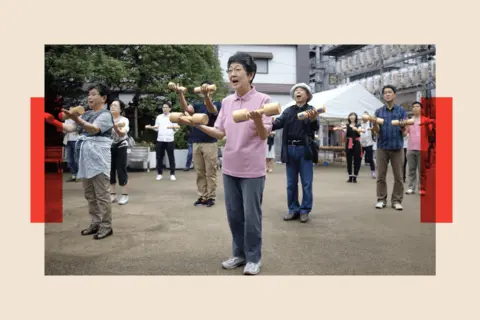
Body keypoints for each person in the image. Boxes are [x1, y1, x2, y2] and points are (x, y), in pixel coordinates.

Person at [179, 52, 272, 275]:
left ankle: (253, 258)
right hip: (230, 167)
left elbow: (263, 135)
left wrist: (258, 118)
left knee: (252, 217)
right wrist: (197, 125)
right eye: (230, 70)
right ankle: (238, 255)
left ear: (250, 74)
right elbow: (219, 132)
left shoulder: (263, 101)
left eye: (237, 69)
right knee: (234, 215)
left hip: (252, 170)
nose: (232, 74)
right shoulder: (228, 102)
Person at [46, 83, 115, 240]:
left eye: (94, 94)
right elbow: (70, 128)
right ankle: (96, 222)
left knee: (102, 194)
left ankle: (106, 226)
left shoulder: (105, 115)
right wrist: (53, 122)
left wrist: (76, 118)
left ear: (103, 98)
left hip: (99, 157)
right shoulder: (87, 114)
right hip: (85, 157)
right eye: (89, 94)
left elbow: (93, 129)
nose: (89, 97)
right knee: (89, 194)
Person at [272, 83, 319, 223]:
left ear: (307, 95)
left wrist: (312, 119)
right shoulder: (288, 111)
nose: (298, 92)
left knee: (306, 183)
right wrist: (267, 120)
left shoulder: (311, 110)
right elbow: (278, 123)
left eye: (301, 91)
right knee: (291, 183)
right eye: (296, 91)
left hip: (305, 149)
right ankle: (293, 209)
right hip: (289, 149)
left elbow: (315, 126)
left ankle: (305, 210)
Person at [174, 81, 222, 207]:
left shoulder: (217, 104)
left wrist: (206, 96)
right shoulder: (196, 104)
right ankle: (202, 196)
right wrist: (180, 94)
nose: (204, 90)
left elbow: (212, 110)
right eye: (203, 88)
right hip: (196, 142)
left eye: (207, 88)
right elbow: (187, 109)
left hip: (210, 143)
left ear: (211, 90)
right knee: (200, 172)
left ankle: (211, 197)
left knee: (210, 172)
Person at [371, 85, 408, 210]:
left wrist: (403, 126)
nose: (387, 94)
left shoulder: (401, 111)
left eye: (389, 92)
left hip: (397, 147)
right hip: (382, 147)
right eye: (385, 92)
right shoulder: (378, 112)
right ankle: (381, 199)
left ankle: (397, 200)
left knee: (399, 176)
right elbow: (377, 132)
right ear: (383, 96)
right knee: (381, 175)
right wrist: (375, 124)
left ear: (394, 95)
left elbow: (404, 133)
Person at [146, 101, 179, 181]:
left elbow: (177, 128)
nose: (164, 109)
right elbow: (157, 128)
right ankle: (159, 173)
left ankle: (172, 174)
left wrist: (172, 130)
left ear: (170, 108)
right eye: (163, 107)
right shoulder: (159, 117)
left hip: (169, 139)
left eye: (166, 107)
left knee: (171, 157)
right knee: (159, 157)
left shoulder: (173, 116)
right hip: (160, 139)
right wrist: (152, 127)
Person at [405, 101, 430, 196]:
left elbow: (430, 133)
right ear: (412, 109)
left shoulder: (426, 120)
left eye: (417, 106)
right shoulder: (409, 121)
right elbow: (404, 134)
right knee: (411, 169)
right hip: (411, 148)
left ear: (421, 109)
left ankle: (422, 188)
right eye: (414, 106)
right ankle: (411, 187)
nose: (415, 108)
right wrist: (403, 126)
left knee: (422, 170)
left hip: (422, 148)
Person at [109, 99, 130, 205]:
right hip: (109, 146)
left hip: (121, 145)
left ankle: (125, 196)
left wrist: (116, 128)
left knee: (121, 170)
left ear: (120, 109)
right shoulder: (107, 119)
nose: (112, 107)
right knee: (110, 170)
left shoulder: (124, 120)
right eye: (111, 105)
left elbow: (122, 133)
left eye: (115, 106)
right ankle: (112, 195)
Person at [63, 106, 79, 182]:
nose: (70, 112)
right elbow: (64, 130)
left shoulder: (78, 118)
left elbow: (78, 129)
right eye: (69, 110)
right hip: (68, 141)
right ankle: (74, 175)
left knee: (76, 159)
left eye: (72, 110)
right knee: (69, 160)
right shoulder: (66, 120)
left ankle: (79, 175)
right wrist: (64, 130)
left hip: (76, 140)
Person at [360, 111, 376, 179]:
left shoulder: (371, 124)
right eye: (364, 115)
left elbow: (375, 133)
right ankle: (356, 172)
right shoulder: (359, 124)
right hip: (361, 144)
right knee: (359, 158)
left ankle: (373, 172)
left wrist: (372, 130)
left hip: (369, 144)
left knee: (370, 159)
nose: (365, 117)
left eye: (366, 115)